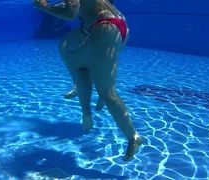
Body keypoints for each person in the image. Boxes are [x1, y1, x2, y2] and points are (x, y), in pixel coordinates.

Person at [33, 0, 143, 161]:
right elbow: (75, 6)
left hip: (105, 28)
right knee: (66, 46)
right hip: (114, 23)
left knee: (106, 91)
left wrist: (44, 8)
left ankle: (133, 136)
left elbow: (71, 13)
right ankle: (82, 85)